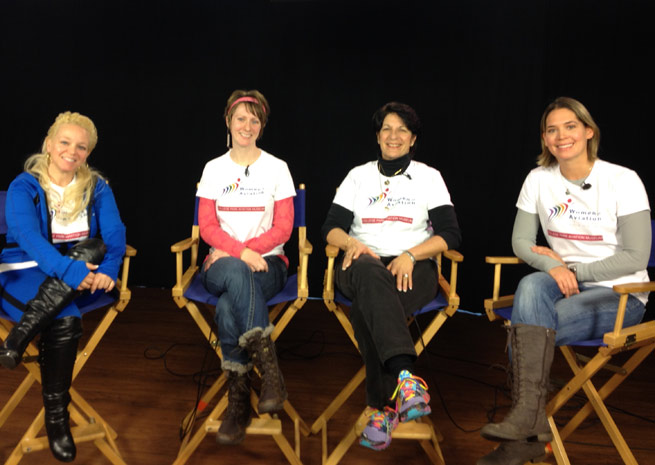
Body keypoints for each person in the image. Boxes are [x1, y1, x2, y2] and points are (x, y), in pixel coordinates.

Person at [477, 97, 651, 465]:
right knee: (530, 286)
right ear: (544, 139)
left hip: (620, 294)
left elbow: (635, 256)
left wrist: (573, 271)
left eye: (570, 126)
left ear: (589, 131)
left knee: (524, 334)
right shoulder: (539, 179)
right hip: (561, 284)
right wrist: (549, 264)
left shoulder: (623, 180)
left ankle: (525, 428)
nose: (561, 136)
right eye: (552, 130)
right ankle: (530, 422)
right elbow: (521, 242)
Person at [321, 101, 461, 451]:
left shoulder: (429, 177)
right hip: (361, 263)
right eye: (386, 128)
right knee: (369, 272)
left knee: (371, 311)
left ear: (412, 139)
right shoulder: (358, 176)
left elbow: (450, 235)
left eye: (401, 130)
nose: (393, 135)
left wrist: (412, 255)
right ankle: (405, 377)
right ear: (378, 136)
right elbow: (330, 229)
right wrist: (352, 243)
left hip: (415, 267)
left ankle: (381, 409)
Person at [0, 111, 126, 462]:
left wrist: (112, 266)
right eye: (65, 143)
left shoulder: (96, 186)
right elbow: (27, 237)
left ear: (88, 153)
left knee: (97, 247)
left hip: (77, 270)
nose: (73, 151)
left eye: (81, 147)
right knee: (66, 319)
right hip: (24, 269)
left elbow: (115, 231)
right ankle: (58, 421)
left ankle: (18, 339)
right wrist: (69, 273)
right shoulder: (24, 185)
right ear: (49, 145)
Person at [197, 90, 296, 446]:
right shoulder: (213, 169)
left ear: (262, 126)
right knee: (236, 276)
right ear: (228, 121)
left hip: (269, 263)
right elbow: (207, 227)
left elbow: (284, 229)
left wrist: (246, 252)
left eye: (255, 119)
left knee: (227, 305)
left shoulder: (277, 168)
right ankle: (270, 374)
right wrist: (239, 253)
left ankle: (238, 402)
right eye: (241, 118)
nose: (247, 125)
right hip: (221, 263)